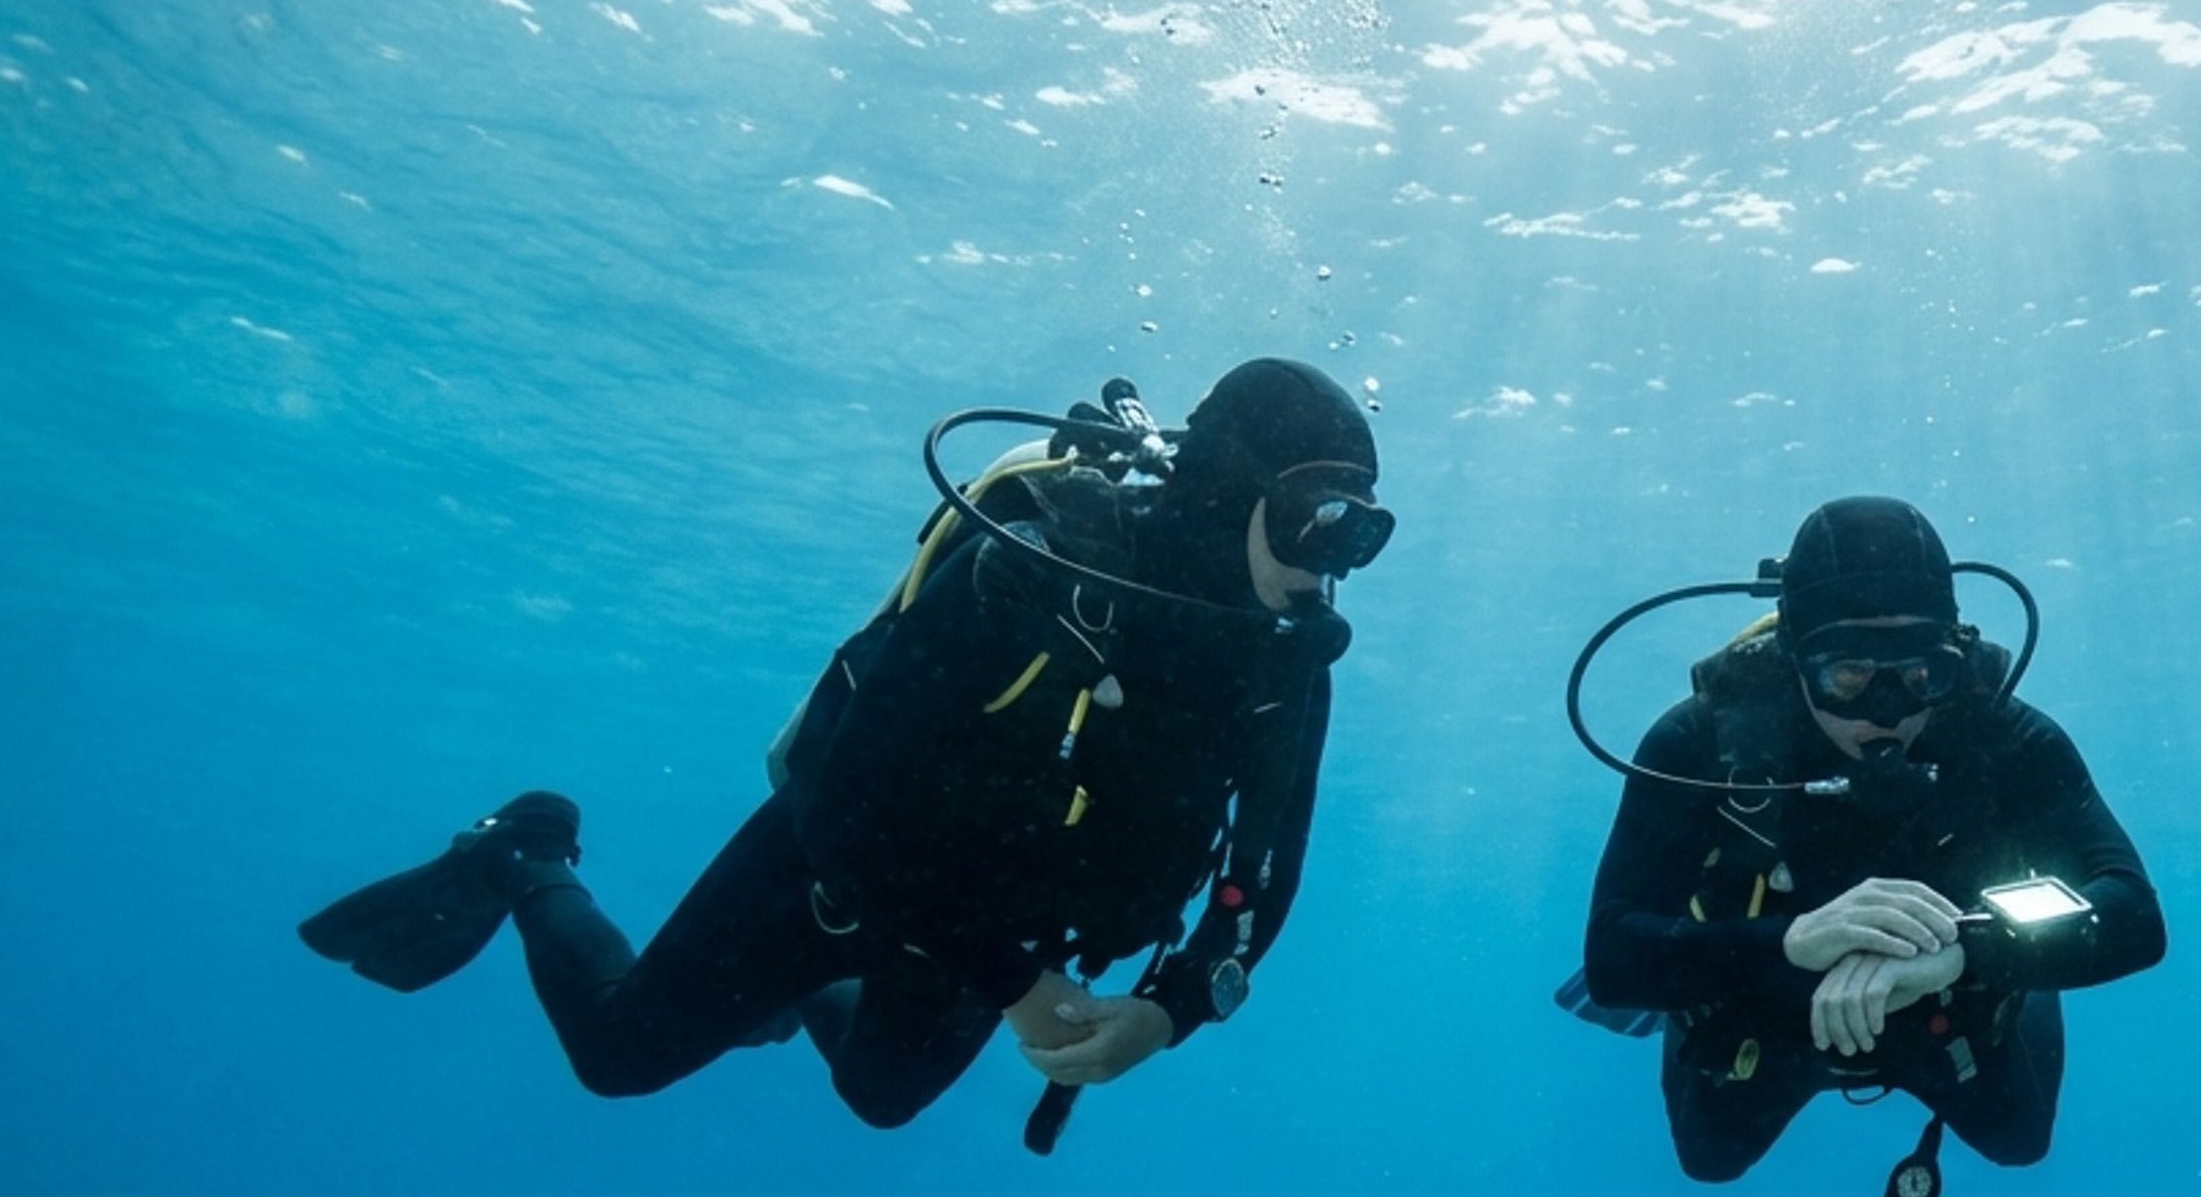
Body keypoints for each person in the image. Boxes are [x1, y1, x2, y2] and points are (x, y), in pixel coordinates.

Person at [299, 360, 1392, 1145]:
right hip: (836, 868)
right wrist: (1016, 983)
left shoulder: (1285, 664)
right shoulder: (1037, 571)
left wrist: (1171, 1010)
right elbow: (852, 796)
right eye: (1316, 517)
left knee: (881, 1097)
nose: (1333, 561)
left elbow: (1265, 877)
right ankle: (529, 850)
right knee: (616, 1057)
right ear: (1226, 487)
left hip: (995, 925)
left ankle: (784, 997)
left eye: (1360, 529)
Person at [1571, 496, 2165, 1197]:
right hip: (1768, 1014)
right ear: (1793, 659)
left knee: (2021, 1140)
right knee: (1709, 1159)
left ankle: (2024, 952)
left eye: (1921, 673)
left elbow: (2137, 918)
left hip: (1949, 1004)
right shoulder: (1701, 744)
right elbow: (1613, 958)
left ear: (1953, 653)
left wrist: (1966, 954)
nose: (1888, 711)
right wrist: (1790, 942)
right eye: (1850, 674)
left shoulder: (2005, 736)